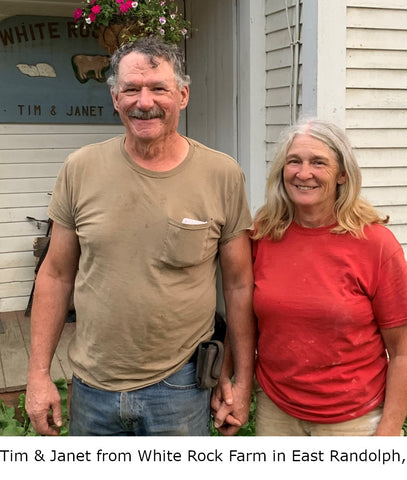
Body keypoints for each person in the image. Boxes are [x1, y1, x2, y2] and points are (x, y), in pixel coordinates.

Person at [25, 36, 255, 436]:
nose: (144, 102)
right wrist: (39, 374)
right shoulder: (80, 169)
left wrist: (241, 379)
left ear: (182, 95)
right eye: (131, 89)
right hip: (92, 385)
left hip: (180, 386)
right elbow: (56, 275)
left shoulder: (222, 175)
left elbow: (238, 285)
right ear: (115, 97)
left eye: (158, 89)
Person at [250, 118, 407, 436]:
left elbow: (404, 351)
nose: (304, 173)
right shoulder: (264, 234)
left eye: (318, 162)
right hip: (276, 412)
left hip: (353, 421)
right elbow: (244, 319)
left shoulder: (375, 244)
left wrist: (389, 432)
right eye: (294, 162)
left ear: (342, 173)